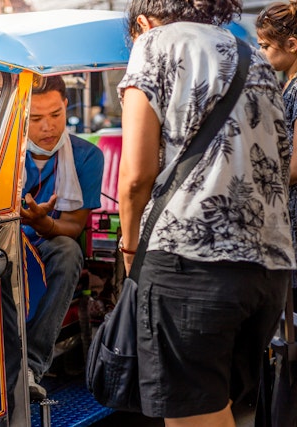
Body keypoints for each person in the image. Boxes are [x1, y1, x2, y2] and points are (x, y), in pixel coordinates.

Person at [117, 1, 295, 426]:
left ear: (143, 23)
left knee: (192, 416)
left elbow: (136, 176)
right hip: (266, 271)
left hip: (190, 262)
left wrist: (129, 249)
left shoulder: (155, 43)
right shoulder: (250, 53)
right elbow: (282, 161)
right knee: (221, 410)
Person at [20, 75, 104, 399]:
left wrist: (44, 225)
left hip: (50, 241)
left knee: (68, 252)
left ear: (66, 105)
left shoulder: (87, 157)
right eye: (36, 118)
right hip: (8, 237)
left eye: (55, 115)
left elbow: (73, 225)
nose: (47, 127)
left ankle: (30, 365)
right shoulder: (4, 153)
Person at [256, 0, 297, 313]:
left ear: (292, 45)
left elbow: (295, 166)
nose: (261, 53)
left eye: (265, 45)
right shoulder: (287, 86)